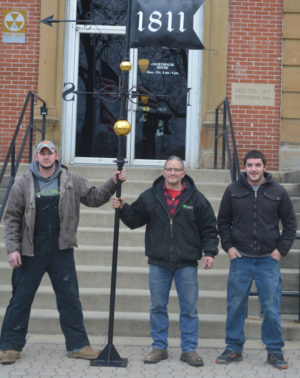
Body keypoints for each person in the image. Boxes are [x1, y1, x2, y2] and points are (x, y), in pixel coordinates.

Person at [0, 140, 126, 365]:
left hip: (61, 249)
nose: (47, 157)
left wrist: (112, 182)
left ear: (56, 155)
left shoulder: (71, 179)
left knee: (69, 299)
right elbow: (11, 218)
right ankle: (9, 346)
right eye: (43, 153)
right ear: (37, 157)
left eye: (50, 153)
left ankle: (78, 345)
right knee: (20, 299)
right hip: (31, 250)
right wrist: (12, 249)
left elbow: (95, 198)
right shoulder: (23, 182)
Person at [112, 155, 218, 367]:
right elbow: (134, 220)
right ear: (163, 172)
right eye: (169, 169)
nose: (172, 173)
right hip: (159, 262)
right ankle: (159, 347)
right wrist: (123, 207)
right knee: (158, 306)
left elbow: (209, 228)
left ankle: (189, 350)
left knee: (189, 308)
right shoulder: (151, 196)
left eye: (177, 170)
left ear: (183, 173)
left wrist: (210, 252)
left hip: (186, 262)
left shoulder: (196, 199)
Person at [216, 150, 297, 370]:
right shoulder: (233, 191)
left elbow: (290, 224)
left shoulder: (278, 192)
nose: (253, 169)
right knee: (235, 307)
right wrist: (229, 247)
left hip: (267, 261)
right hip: (240, 259)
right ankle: (233, 348)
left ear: (264, 167)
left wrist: (280, 251)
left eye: (257, 165)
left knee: (271, 308)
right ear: (244, 167)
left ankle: (274, 352)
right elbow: (223, 221)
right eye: (250, 165)